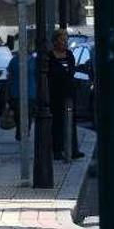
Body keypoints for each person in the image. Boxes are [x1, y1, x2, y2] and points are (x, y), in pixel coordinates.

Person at [48, 29, 83, 160]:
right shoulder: (50, 56)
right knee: (57, 122)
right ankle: (57, 149)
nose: (64, 42)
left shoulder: (69, 54)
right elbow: (50, 74)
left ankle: (72, 148)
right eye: (62, 39)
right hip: (55, 93)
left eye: (65, 39)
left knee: (70, 120)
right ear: (55, 41)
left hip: (68, 92)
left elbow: (72, 69)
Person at [6, 48, 36, 142]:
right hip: (17, 92)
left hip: (29, 92)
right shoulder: (14, 61)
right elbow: (9, 77)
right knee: (19, 114)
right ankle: (21, 132)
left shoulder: (32, 61)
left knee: (28, 114)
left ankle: (25, 132)